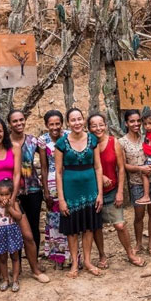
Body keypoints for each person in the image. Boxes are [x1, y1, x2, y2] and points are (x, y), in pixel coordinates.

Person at [0, 118, 49, 285]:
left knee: (27, 235)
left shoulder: (14, 148)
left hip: (11, 197)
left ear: (5, 132)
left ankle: (35, 270)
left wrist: (12, 199)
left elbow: (17, 174)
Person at [88, 113, 147, 268]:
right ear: (89, 128)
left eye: (101, 124)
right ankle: (102, 255)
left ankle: (130, 253)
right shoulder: (87, 144)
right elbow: (86, 167)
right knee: (96, 227)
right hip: (93, 191)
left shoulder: (114, 142)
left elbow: (121, 169)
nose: (98, 128)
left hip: (112, 190)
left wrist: (120, 191)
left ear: (106, 125)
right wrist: (100, 177)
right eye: (94, 125)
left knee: (120, 225)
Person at [55, 108, 104, 278]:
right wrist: (61, 199)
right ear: (68, 123)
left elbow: (98, 167)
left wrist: (100, 194)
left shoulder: (92, 140)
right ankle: (75, 263)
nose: (76, 123)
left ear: (83, 121)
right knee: (72, 229)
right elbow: (59, 172)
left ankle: (88, 261)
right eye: (73, 120)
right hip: (70, 191)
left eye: (79, 119)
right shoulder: (61, 143)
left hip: (90, 189)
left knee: (89, 227)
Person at [119, 110, 151, 256]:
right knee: (138, 215)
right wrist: (140, 168)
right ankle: (138, 244)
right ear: (126, 123)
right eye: (132, 121)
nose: (136, 124)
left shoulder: (147, 137)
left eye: (138, 121)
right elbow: (124, 165)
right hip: (136, 182)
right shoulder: (122, 142)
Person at [7, 110, 46, 260]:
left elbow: (45, 163)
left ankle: (33, 260)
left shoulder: (33, 141)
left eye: (21, 120)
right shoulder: (5, 143)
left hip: (33, 189)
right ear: (10, 124)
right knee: (14, 228)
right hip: (13, 192)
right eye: (15, 121)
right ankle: (17, 264)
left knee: (33, 227)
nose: (19, 123)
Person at [37, 110, 71, 268]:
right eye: (51, 124)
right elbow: (44, 168)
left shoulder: (69, 136)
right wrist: (45, 191)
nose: (55, 127)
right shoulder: (43, 140)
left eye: (58, 123)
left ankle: (72, 255)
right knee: (55, 219)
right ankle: (58, 257)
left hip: (69, 179)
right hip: (52, 183)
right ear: (46, 125)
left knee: (70, 217)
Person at [0, 179, 23, 292]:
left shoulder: (14, 203)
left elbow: (19, 217)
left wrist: (9, 208)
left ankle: (15, 280)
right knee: (2, 258)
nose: (4, 197)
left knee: (15, 256)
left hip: (12, 232)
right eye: (1, 194)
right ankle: (5, 279)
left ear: (11, 194)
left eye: (7, 194)